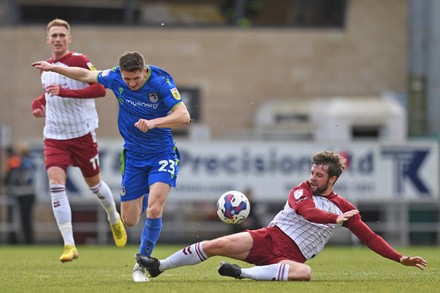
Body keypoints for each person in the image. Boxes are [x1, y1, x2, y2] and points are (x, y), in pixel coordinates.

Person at [131, 150, 427, 282]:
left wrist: (399, 257)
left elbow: (370, 237)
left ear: (332, 178)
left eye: (319, 174)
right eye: (312, 172)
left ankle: (241, 274)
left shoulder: (343, 207)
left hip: (291, 256)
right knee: (214, 244)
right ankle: (160, 266)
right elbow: (306, 212)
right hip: (268, 238)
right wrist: (333, 221)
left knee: (305, 274)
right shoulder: (301, 191)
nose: (312, 177)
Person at [32, 51, 191, 281]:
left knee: (155, 209)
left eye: (136, 78)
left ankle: (141, 264)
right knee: (130, 220)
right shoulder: (115, 77)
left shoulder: (160, 81)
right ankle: (148, 191)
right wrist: (54, 67)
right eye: (128, 80)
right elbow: (86, 74)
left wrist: (154, 122)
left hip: (162, 153)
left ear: (144, 70)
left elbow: (184, 116)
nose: (132, 83)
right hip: (134, 157)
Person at [31, 18, 127, 262]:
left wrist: (66, 92)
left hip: (82, 134)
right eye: (54, 35)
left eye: (62, 35)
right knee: (56, 185)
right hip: (54, 136)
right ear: (48, 40)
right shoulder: (45, 67)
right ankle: (69, 245)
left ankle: (113, 217)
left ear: (69, 39)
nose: (58, 39)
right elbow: (48, 93)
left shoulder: (79, 61)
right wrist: (39, 103)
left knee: (95, 187)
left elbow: (99, 90)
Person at [3, 146, 36, 244]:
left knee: (24, 219)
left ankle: (27, 241)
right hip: (28, 193)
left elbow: (21, 179)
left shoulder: (24, 163)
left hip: (23, 194)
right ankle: (28, 240)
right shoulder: (30, 162)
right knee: (26, 219)